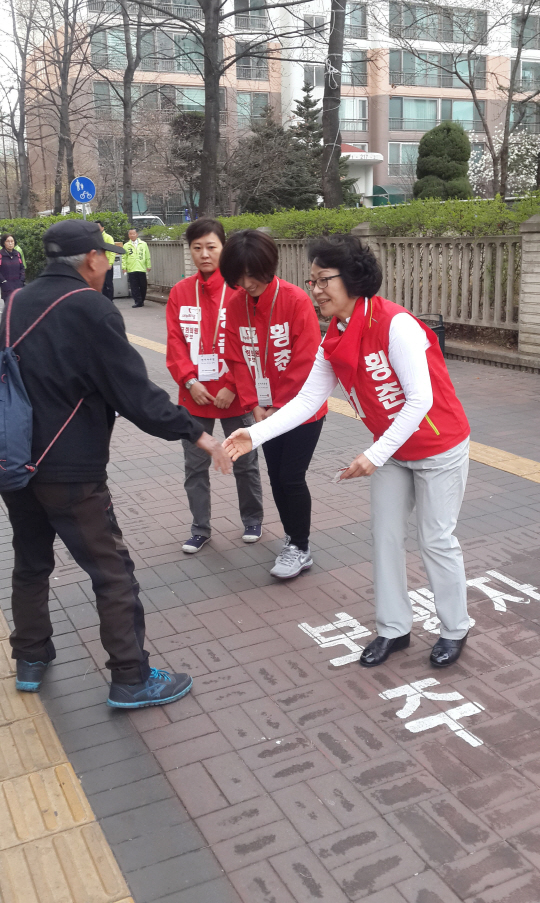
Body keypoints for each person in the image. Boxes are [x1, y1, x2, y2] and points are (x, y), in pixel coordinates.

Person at [0, 220, 231, 708]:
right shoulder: (91, 308)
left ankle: (30, 657)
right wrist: (196, 433)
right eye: (106, 256)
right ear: (90, 260)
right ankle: (130, 676)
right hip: (72, 472)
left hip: (16, 462)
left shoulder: (16, 301)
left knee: (31, 562)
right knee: (112, 572)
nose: (109, 265)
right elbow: (135, 395)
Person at [223, 233, 471, 668]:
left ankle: (455, 627)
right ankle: (393, 628)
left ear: (352, 279)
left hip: (438, 447)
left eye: (323, 280)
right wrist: (252, 436)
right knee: (386, 537)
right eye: (312, 280)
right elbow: (306, 400)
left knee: (436, 540)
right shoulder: (334, 334)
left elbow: (420, 400)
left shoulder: (396, 325)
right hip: (393, 452)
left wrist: (375, 454)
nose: (315, 289)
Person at [221, 230, 327, 580]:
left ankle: (300, 546)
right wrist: (254, 405)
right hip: (263, 412)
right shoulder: (236, 305)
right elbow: (237, 360)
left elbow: (305, 360)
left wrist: (281, 406)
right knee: (277, 478)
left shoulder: (295, 301)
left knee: (291, 477)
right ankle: (293, 541)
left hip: (302, 410)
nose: (246, 283)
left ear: (269, 267)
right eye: (239, 276)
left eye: (252, 274)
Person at [166, 218, 264, 553]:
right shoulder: (180, 292)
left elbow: (249, 344)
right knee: (195, 466)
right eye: (197, 248)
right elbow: (175, 342)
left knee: (245, 461)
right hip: (195, 395)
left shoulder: (239, 290)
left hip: (234, 395)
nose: (204, 254)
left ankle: (252, 520)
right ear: (189, 250)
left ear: (224, 248)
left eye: (212, 247)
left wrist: (233, 386)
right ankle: (200, 528)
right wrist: (190, 381)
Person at [123, 227, 151, 307]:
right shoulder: (126, 245)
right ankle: (137, 301)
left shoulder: (143, 244)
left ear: (137, 234)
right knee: (134, 286)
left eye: (133, 234)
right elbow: (124, 258)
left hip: (141, 267)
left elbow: (147, 255)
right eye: (130, 234)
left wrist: (148, 265)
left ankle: (142, 299)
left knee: (143, 285)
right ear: (128, 235)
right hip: (131, 268)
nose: (132, 235)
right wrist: (124, 268)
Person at [0, 233, 25, 300]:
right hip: (7, 288)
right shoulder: (1, 255)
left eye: (12, 241)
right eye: (8, 241)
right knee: (9, 308)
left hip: (18, 286)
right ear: (3, 243)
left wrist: (21, 280)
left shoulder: (17, 254)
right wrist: (3, 282)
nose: (10, 243)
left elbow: (22, 268)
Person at [96, 220, 116, 300]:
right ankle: (104, 300)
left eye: (98, 227)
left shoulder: (108, 237)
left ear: (103, 228)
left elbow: (112, 252)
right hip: (98, 265)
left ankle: (110, 300)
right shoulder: (94, 238)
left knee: (108, 283)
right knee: (102, 284)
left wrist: (110, 263)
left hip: (107, 264)